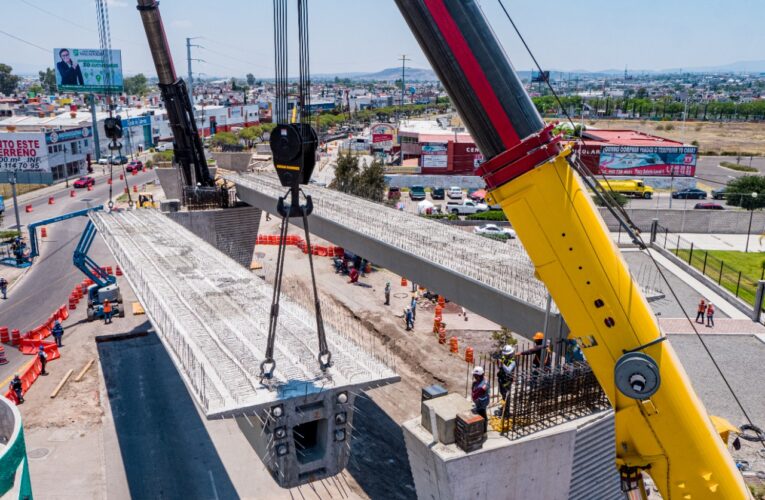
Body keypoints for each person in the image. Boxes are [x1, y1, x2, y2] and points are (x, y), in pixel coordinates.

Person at [471, 366, 490, 432]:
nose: (474, 377)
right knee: (483, 414)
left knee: (482, 416)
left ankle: (484, 430)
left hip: (481, 404)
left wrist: (474, 387)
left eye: (475, 375)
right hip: (483, 401)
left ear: (478, 376)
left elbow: (474, 396)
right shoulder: (485, 381)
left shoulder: (481, 387)